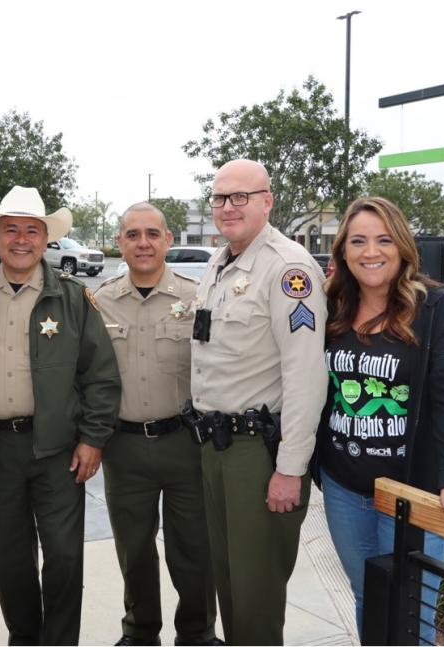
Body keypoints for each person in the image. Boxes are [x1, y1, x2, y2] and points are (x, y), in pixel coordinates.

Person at [316, 196, 444, 644]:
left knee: (411, 613)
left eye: (383, 239)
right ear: (343, 250)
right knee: (368, 597)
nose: (371, 251)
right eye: (358, 241)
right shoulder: (333, 306)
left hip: (413, 494)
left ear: (402, 247)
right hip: (344, 486)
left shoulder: (438, 309)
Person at [0, 186, 121, 645]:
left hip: (58, 451)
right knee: (10, 559)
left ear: (46, 240)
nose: (21, 239)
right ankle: (24, 637)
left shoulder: (72, 297)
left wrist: (94, 438)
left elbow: (101, 376)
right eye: (11, 229)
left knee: (65, 557)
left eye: (32, 230)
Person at [189, 159, 328, 645]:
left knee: (256, 595)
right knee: (229, 583)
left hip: (258, 452)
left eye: (240, 197)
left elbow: (306, 374)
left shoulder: (289, 269)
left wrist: (291, 468)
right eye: (220, 198)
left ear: (267, 201)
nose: (228, 207)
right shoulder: (220, 260)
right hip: (215, 445)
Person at [94, 204, 220, 647]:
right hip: (124, 447)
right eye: (132, 234)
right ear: (120, 242)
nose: (142, 242)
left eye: (152, 233)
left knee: (194, 549)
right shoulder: (100, 300)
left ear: (168, 240)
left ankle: (198, 633)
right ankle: (140, 632)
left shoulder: (199, 294)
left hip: (186, 443)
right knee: (134, 550)